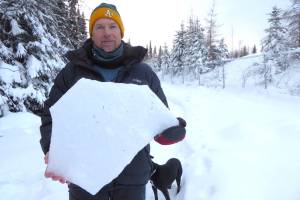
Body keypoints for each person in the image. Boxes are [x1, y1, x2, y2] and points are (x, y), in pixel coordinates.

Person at [39, 3, 186, 200]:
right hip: (84, 176)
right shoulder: (73, 72)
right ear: (91, 33)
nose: (106, 33)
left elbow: (158, 121)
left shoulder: (143, 73)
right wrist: (52, 149)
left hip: (132, 176)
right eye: (99, 27)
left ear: (121, 31)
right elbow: (51, 114)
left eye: (112, 26)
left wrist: (170, 131)